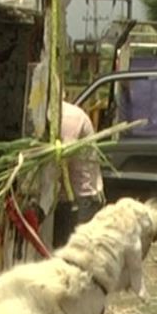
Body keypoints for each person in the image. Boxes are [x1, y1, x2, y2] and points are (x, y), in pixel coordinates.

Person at [51, 100, 105, 247]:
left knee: (76, 254)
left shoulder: (67, 117)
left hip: (82, 199)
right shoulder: (56, 115)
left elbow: (58, 161)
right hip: (68, 199)